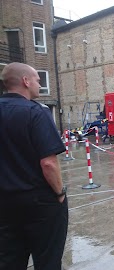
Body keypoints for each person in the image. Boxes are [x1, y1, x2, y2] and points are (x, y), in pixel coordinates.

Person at [0, 62, 68, 269]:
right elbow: (48, 163)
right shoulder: (36, 112)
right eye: (38, 80)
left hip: (4, 203)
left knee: (9, 260)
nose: (40, 84)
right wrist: (59, 193)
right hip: (39, 203)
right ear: (25, 81)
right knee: (48, 259)